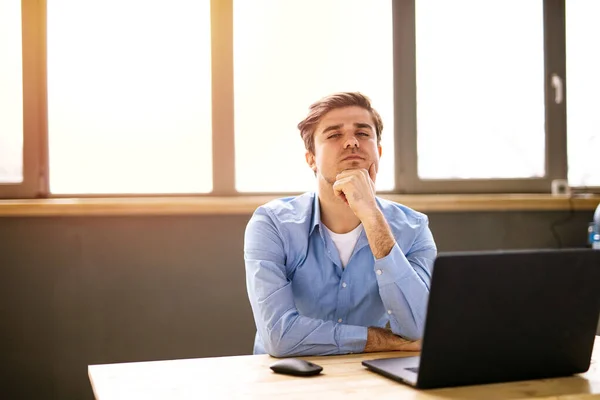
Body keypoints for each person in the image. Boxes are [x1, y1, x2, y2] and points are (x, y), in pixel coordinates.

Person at [244, 92, 437, 357]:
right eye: (334, 135)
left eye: (363, 133)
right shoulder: (271, 225)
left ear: (378, 152)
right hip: (285, 381)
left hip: (370, 382)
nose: (351, 142)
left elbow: (420, 329)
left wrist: (371, 215)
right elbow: (279, 336)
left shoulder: (414, 229)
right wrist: (382, 340)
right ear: (311, 158)